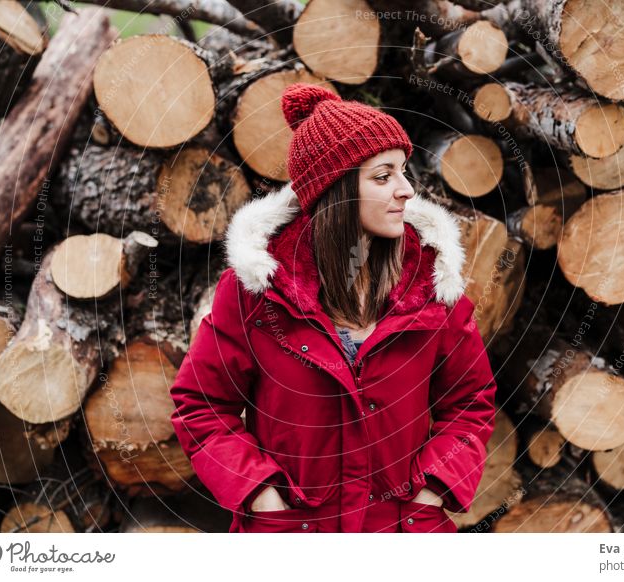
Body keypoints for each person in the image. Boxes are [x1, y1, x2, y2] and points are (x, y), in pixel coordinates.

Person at [169, 83, 497, 533]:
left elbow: (470, 403)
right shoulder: (257, 292)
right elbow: (200, 406)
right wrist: (261, 496)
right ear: (335, 192)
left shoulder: (431, 286)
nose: (406, 190)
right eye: (383, 177)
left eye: (403, 171)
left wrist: (431, 493)